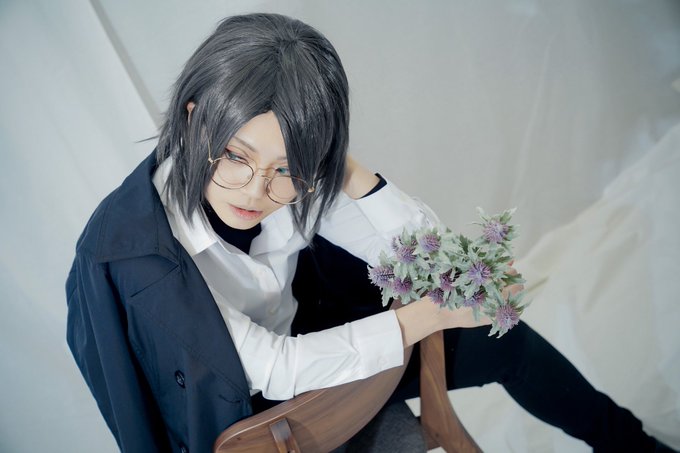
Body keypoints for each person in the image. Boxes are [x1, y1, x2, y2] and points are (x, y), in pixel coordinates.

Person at [66, 13, 673, 453]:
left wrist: (346, 171)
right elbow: (269, 368)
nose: (253, 192)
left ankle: (631, 445)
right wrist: (421, 318)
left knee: (506, 341)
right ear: (195, 117)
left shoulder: (300, 176)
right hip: (254, 417)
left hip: (327, 343)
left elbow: (428, 257)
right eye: (234, 156)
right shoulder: (138, 257)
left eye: (285, 169)